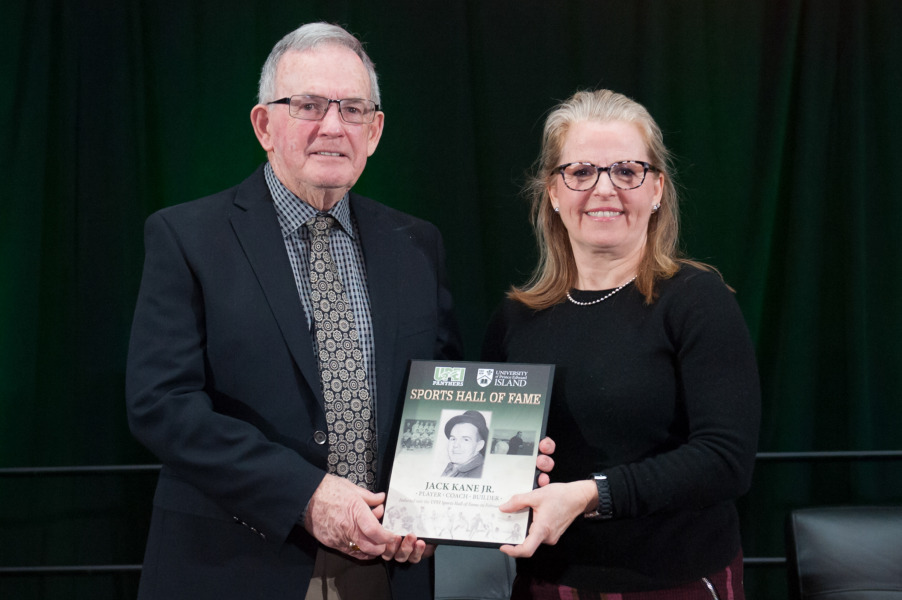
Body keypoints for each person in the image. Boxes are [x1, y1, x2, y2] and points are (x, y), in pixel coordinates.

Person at [125, 22, 463, 600]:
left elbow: (440, 392)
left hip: (387, 566)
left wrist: (430, 505)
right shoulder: (187, 237)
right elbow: (162, 405)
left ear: (375, 130)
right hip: (235, 565)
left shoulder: (417, 243)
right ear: (264, 125)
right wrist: (304, 494)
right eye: (308, 105)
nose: (333, 126)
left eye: (353, 109)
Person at [482, 90, 761, 599]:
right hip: (547, 585)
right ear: (553, 191)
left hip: (673, 583)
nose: (604, 189)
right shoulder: (515, 319)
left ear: (656, 188)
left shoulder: (697, 300)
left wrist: (591, 495)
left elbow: (726, 460)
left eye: (627, 171)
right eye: (581, 172)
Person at [440, 410, 488, 478]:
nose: (456, 445)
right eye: (453, 439)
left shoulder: (479, 475)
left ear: (479, 446)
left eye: (465, 439)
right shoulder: (451, 468)